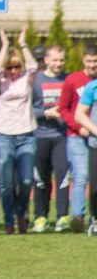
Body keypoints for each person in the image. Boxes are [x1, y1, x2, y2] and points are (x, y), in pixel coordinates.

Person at [0, 28, 37, 234]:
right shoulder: (1, 82)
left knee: (27, 180)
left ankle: (22, 212)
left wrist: (23, 43)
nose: (12, 71)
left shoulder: (26, 81)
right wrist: (5, 46)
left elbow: (33, 66)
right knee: (6, 183)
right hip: (4, 135)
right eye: (9, 68)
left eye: (16, 67)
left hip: (26, 135)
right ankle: (9, 219)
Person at [58, 44, 97, 232]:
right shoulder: (73, 80)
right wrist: (78, 127)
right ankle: (78, 218)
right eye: (89, 61)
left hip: (94, 137)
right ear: (83, 61)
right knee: (81, 176)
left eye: (95, 62)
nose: (92, 65)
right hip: (77, 135)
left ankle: (94, 217)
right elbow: (63, 109)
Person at [32, 45, 70, 233]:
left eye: (61, 60)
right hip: (39, 135)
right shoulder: (36, 81)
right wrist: (45, 113)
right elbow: (27, 109)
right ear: (46, 60)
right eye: (54, 60)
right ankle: (40, 216)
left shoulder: (67, 79)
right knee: (40, 178)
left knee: (62, 175)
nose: (58, 64)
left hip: (61, 136)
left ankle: (62, 216)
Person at [73, 74, 97, 237]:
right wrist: (95, 131)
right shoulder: (92, 87)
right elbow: (79, 114)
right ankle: (95, 220)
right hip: (96, 144)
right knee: (95, 188)